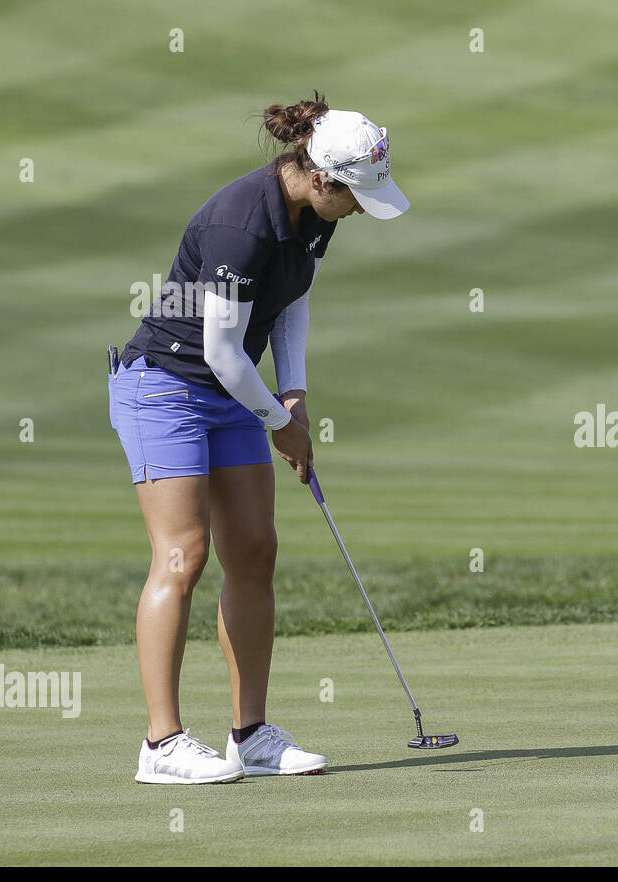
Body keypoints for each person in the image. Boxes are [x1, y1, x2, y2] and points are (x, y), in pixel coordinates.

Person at [106, 93, 409, 783]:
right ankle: (161, 745)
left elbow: (292, 299)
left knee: (255, 551)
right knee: (183, 555)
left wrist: (293, 390)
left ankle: (251, 735)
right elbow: (219, 351)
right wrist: (281, 421)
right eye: (357, 195)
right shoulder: (242, 223)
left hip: (234, 391)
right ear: (320, 178)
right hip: (166, 387)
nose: (362, 208)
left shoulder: (314, 215)